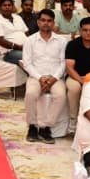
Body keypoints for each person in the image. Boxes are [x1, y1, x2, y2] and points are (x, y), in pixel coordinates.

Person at [21, 9, 68, 143]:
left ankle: (45, 127)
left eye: (49, 21)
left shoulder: (61, 41)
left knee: (61, 96)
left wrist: (53, 78)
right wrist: (40, 78)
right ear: (38, 22)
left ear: (53, 23)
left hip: (55, 77)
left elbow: (63, 63)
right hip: (36, 76)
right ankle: (32, 126)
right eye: (43, 20)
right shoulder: (30, 40)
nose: (46, 23)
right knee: (30, 94)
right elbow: (27, 63)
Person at [0, 0, 28, 65]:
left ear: (12, 7)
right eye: (4, 5)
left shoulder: (18, 18)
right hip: (10, 52)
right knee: (29, 57)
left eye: (9, 5)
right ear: (0, 8)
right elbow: (0, 41)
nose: (7, 7)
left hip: (25, 48)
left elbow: (26, 33)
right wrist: (17, 47)